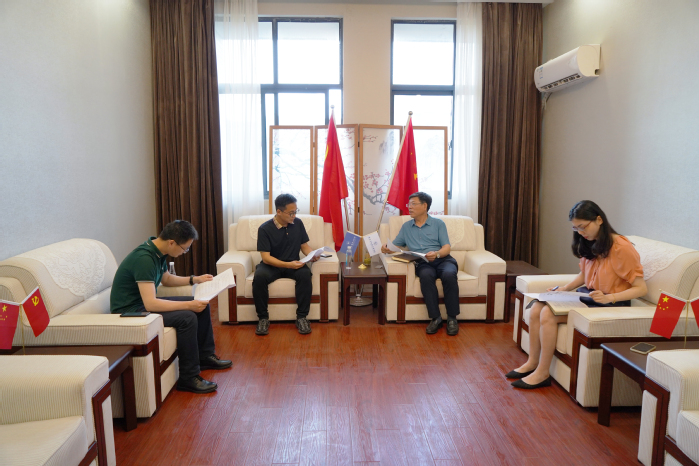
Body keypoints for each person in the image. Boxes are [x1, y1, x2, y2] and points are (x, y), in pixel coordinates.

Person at [507, 200, 647, 389]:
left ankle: (542, 373)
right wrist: (564, 289)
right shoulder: (590, 242)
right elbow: (584, 275)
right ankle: (532, 362)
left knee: (547, 313)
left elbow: (641, 288)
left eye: (583, 227)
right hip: (589, 297)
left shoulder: (621, 247)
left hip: (610, 303)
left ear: (599, 220)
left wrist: (609, 297)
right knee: (536, 308)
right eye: (576, 228)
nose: (581, 232)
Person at [110, 220, 232, 394]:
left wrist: (195, 279)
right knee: (188, 317)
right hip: (129, 312)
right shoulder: (144, 259)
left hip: (141, 305)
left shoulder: (157, 252)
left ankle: (205, 356)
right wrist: (188, 305)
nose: (185, 252)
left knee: (201, 303)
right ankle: (188, 378)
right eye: (185, 249)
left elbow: (166, 279)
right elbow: (150, 303)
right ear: (172, 242)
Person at [381, 192, 460, 335]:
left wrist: (436, 254)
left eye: (413, 204)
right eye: (409, 204)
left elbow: (446, 247)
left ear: (424, 206)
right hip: (423, 263)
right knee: (426, 276)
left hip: (442, 259)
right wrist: (386, 248)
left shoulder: (438, 224)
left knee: (449, 275)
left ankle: (452, 318)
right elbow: (395, 246)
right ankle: (436, 318)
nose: (409, 207)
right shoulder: (406, 227)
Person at [253, 193, 318, 336]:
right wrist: (288, 265)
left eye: (295, 211)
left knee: (305, 274)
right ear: (279, 211)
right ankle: (263, 318)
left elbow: (304, 246)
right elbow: (266, 258)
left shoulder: (298, 224)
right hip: (272, 265)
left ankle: (302, 318)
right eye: (291, 213)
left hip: (293, 263)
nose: (294, 215)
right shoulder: (264, 229)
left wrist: (312, 254)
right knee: (259, 277)